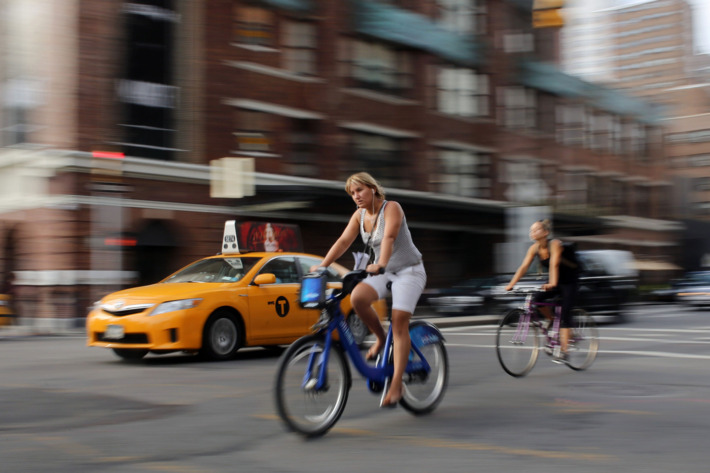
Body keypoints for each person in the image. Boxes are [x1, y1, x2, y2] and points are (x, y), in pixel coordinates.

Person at [310, 172, 426, 407]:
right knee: (358, 298)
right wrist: (322, 266)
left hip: (409, 270)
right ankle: (382, 339)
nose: (356, 196)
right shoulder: (359, 216)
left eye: (360, 190)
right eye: (352, 193)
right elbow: (343, 241)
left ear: (373, 189)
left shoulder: (392, 208)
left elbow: (389, 238)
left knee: (399, 322)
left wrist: (381, 263)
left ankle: (396, 385)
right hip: (383, 271)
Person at [504, 219, 579, 364]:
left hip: (570, 280)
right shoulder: (534, 248)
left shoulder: (555, 244)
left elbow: (554, 263)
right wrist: (511, 285)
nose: (532, 232)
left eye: (536, 229)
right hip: (555, 281)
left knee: (565, 314)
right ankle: (551, 321)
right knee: (536, 300)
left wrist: (552, 283)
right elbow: (523, 267)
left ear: (546, 233)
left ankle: (564, 351)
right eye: (531, 230)